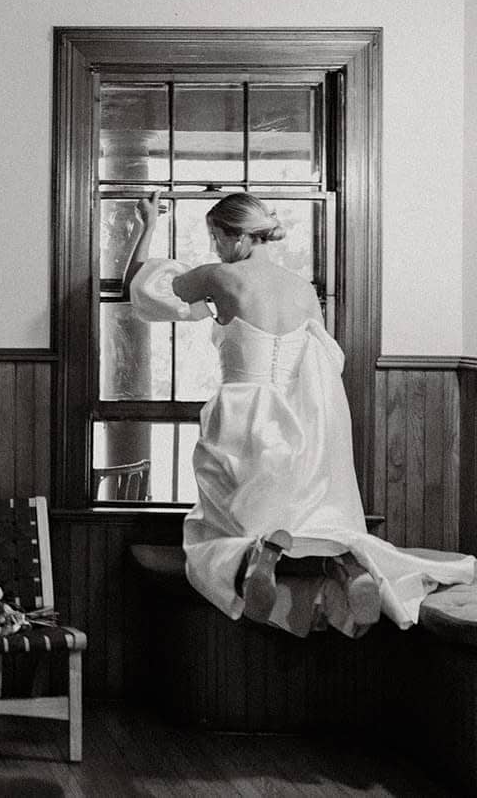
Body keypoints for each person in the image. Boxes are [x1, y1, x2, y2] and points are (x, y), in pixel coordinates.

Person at [124, 190, 474, 636]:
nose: (214, 248)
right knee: (310, 516)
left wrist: (147, 224)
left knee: (214, 530)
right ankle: (347, 566)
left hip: (242, 415)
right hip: (298, 426)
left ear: (234, 237)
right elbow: (327, 362)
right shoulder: (303, 288)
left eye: (215, 238)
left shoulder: (220, 276)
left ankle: (259, 556)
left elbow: (138, 290)